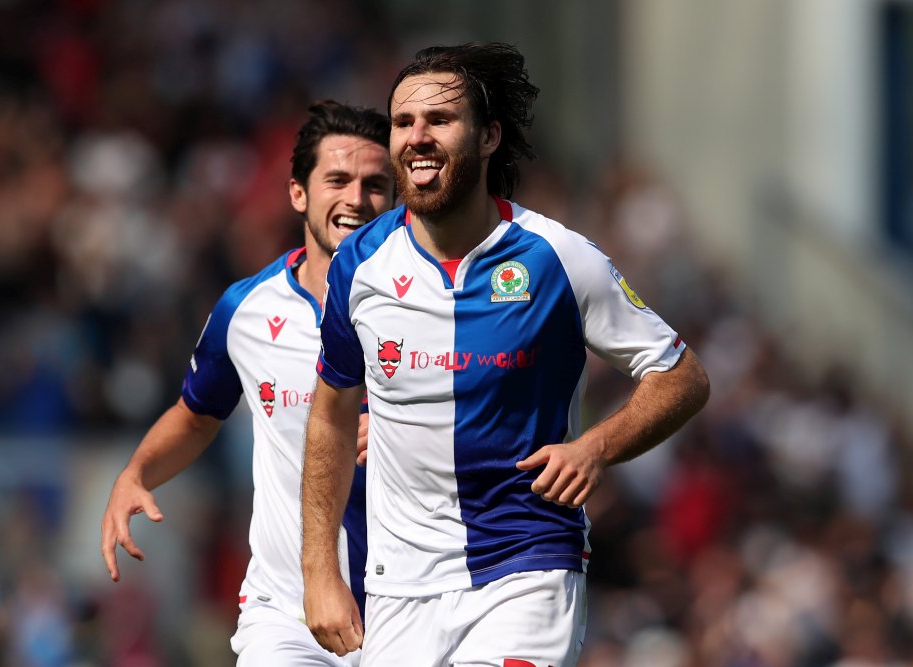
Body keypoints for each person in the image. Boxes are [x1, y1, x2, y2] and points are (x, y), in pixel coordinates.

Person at [300, 43, 710, 667]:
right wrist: (320, 572)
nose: (417, 137)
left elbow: (681, 376)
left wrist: (597, 446)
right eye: (403, 122)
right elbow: (330, 415)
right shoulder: (359, 264)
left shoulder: (558, 258)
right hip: (400, 585)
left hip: (526, 565)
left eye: (439, 120)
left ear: (488, 136)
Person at [100, 99, 395, 666]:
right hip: (286, 613)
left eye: (375, 184)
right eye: (337, 180)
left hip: (409, 607)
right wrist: (136, 472)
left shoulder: (434, 307)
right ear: (298, 194)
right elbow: (196, 415)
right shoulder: (247, 309)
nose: (356, 199)